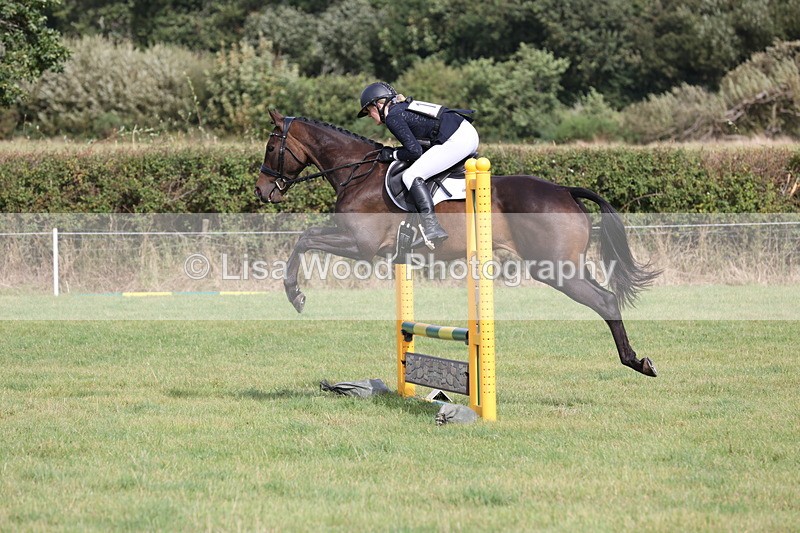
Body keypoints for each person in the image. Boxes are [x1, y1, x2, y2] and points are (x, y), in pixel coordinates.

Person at [357, 82, 479, 246]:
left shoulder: (393, 116)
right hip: (462, 133)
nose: (370, 116)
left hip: (458, 139)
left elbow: (415, 152)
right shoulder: (401, 108)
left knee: (411, 175)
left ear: (378, 104)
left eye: (368, 111)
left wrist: (392, 154)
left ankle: (432, 227)